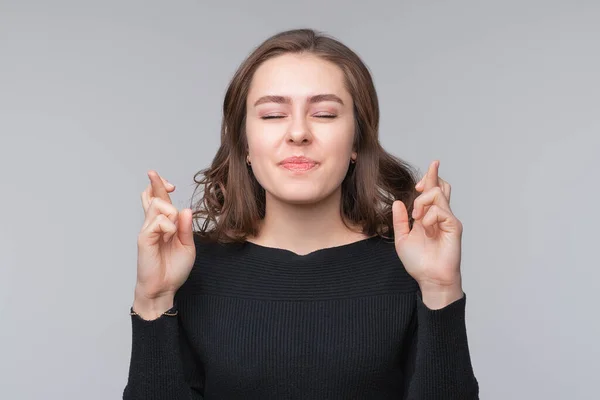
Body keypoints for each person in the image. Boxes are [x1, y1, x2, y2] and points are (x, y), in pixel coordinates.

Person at [123, 28, 479, 399]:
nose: (298, 133)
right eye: (274, 114)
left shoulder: (411, 264)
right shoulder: (189, 265)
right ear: (245, 142)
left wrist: (441, 289)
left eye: (324, 114)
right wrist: (153, 298)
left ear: (357, 139)